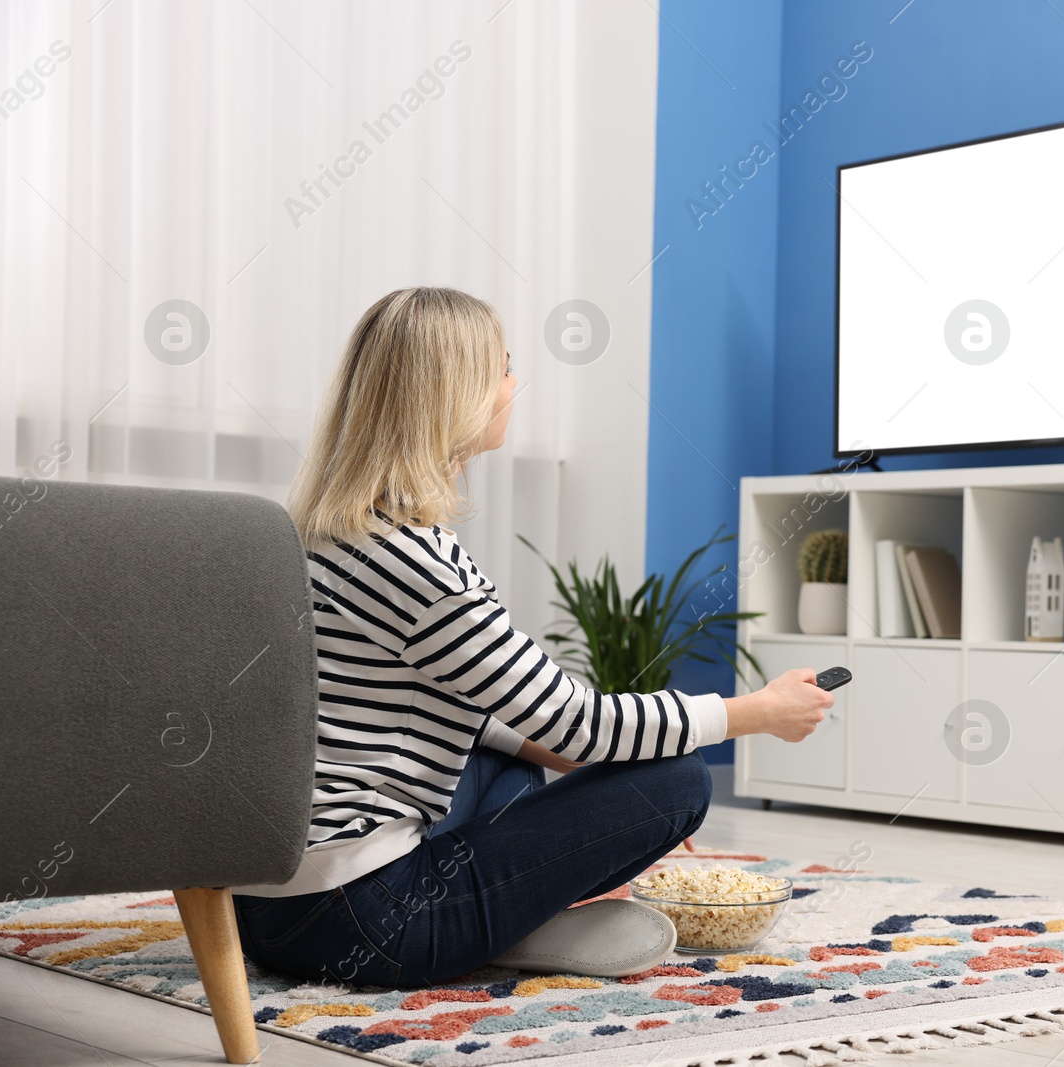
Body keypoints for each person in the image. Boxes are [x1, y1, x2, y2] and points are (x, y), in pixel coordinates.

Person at [231, 287, 831, 987]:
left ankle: (505, 917)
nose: (515, 385)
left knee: (507, 758)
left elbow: (491, 713)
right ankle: (509, 925)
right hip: (364, 921)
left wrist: (591, 770)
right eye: (504, 368)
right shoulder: (420, 565)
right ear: (455, 396)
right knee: (678, 778)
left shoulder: (326, 532)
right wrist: (755, 712)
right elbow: (576, 721)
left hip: (269, 906)